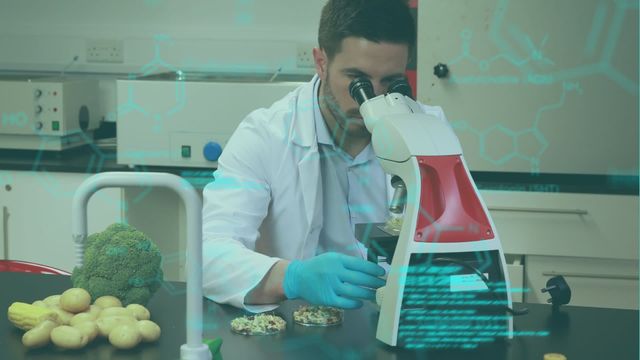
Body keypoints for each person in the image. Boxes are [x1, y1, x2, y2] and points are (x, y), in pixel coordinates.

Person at [202, 0, 452, 312]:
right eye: (357, 80)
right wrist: (292, 277)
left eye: (390, 82)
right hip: (296, 329)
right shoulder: (265, 135)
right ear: (321, 62)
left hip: (394, 319)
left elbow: (457, 247)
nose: (371, 100)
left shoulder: (429, 130)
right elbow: (209, 257)